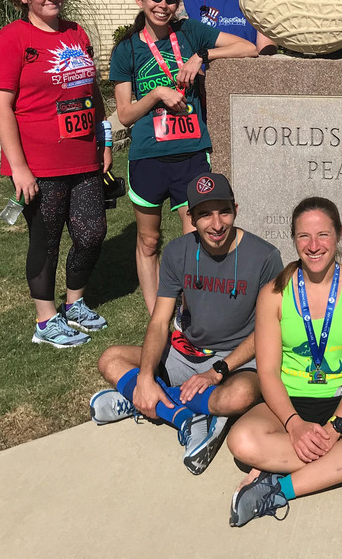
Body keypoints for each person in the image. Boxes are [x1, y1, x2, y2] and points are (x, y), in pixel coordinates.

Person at [225, 197, 342, 527]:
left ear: (339, 234)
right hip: (288, 404)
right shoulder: (273, 294)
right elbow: (266, 371)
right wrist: (294, 425)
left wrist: (336, 428)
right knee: (241, 441)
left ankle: (277, 487)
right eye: (303, 236)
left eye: (323, 234)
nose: (313, 245)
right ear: (293, 239)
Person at [89, 173, 283, 474]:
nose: (216, 224)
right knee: (110, 359)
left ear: (236, 209)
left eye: (224, 211)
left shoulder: (265, 257)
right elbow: (160, 322)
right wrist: (145, 377)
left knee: (241, 395)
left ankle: (149, 400)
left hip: (237, 359)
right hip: (187, 352)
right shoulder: (178, 252)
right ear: (190, 217)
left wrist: (218, 371)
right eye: (205, 214)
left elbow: (268, 331)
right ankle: (183, 416)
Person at [109, 0, 257, 314]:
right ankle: (157, 317)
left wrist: (202, 55)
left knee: (196, 239)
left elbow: (247, 47)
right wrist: (157, 94)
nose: (163, 5)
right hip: (148, 157)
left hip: (191, 154)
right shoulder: (127, 50)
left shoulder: (190, 32)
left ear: (178, 3)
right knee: (149, 241)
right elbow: (126, 114)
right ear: (140, 0)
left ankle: (194, 310)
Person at [0, 0, 112, 348]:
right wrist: (19, 168)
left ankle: (75, 302)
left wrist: (104, 140)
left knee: (93, 233)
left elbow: (91, 92)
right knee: (46, 239)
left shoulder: (77, 33)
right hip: (38, 163)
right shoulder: (10, 40)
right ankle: (46, 319)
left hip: (83, 156)